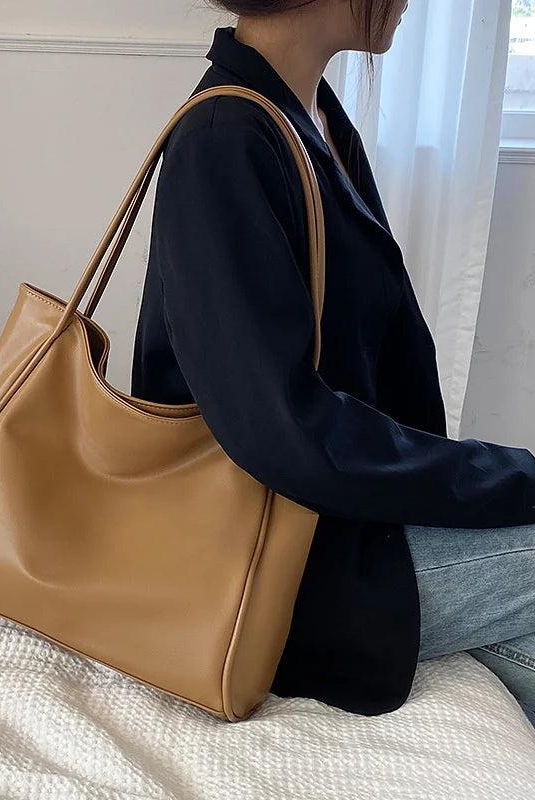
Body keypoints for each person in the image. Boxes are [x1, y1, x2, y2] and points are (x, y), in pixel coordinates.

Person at [131, 2, 535, 725]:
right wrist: (508, 478)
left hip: (346, 517)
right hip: (280, 563)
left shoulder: (310, 117)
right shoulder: (225, 141)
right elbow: (289, 433)